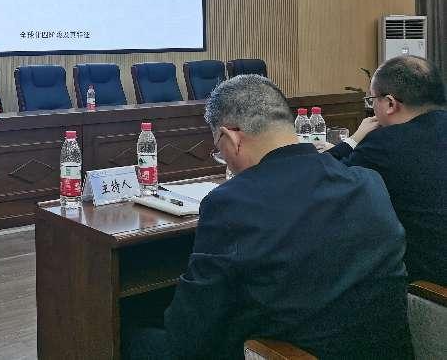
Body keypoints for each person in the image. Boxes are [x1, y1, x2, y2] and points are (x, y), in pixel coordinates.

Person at [125, 75, 411, 360]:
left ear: (231, 137)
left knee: (128, 336)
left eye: (218, 147)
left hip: (281, 352)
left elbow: (188, 337)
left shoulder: (231, 203)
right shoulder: (367, 182)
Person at [328, 55, 447, 285]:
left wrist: (353, 140)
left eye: (372, 99)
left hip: (428, 285)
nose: (372, 107)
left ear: (391, 104)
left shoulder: (386, 143)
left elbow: (323, 179)